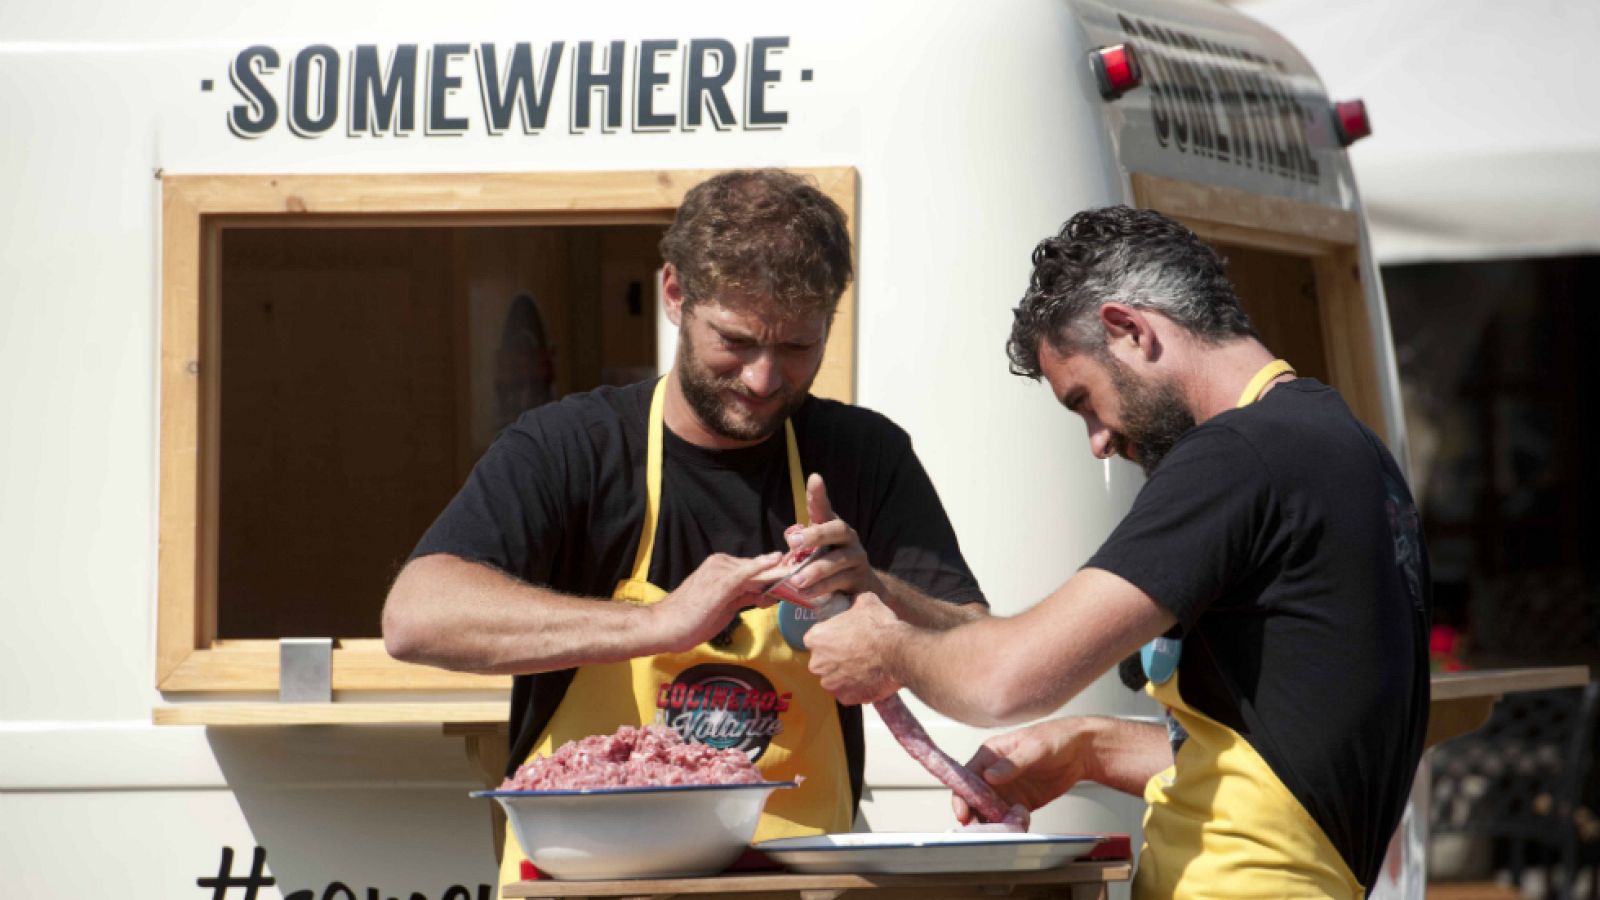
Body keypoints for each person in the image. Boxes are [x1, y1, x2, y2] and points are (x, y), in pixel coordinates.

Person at [804, 206, 1431, 899]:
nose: (1098, 440)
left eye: (1085, 401)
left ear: (1129, 329)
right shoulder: (1346, 448)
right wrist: (1091, 748)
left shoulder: (1238, 454)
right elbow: (1299, 758)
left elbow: (1007, 681)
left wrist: (887, 651)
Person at [381, 169, 987, 884]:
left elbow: (979, 659)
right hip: (588, 884)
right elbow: (415, 618)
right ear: (674, 293)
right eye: (736, 341)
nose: (764, 379)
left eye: (797, 347)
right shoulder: (571, 445)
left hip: (794, 884)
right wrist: (660, 624)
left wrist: (881, 596)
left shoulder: (864, 455)